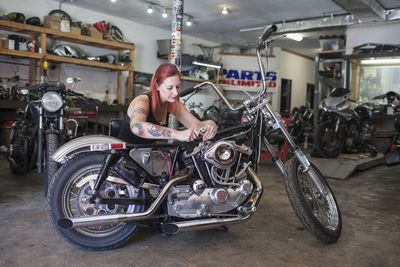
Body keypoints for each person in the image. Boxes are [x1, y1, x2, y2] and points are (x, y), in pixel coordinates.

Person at [118, 63, 217, 144]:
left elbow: (196, 125)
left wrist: (209, 124)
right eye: (170, 88)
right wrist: (178, 134)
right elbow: (137, 127)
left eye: (177, 87)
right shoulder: (143, 101)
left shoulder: (172, 103)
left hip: (146, 154)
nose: (175, 92)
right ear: (157, 86)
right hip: (125, 157)